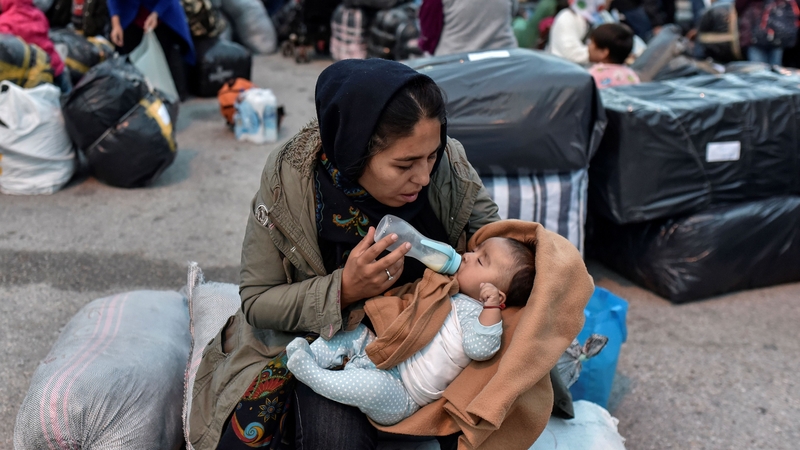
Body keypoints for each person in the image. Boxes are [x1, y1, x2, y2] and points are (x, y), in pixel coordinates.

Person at [188, 58, 503, 450]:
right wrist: (343, 289)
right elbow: (257, 300)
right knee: (336, 439)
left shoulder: (447, 166)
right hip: (336, 346)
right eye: (404, 165)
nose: (423, 177)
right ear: (354, 153)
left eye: (430, 156)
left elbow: (497, 246)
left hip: (434, 341)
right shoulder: (291, 182)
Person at [285, 236, 536, 426]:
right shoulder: (450, 290)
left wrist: (491, 308)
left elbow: (480, 349)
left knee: (371, 389)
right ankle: (312, 353)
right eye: (474, 250)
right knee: (353, 332)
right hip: (387, 352)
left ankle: (316, 377)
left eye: (481, 260)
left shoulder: (481, 316)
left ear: (496, 294)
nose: (468, 255)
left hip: (403, 392)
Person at [107, 0, 195, 100]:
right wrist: (116, 24)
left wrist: (156, 13)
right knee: (133, 62)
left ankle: (170, 99)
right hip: (130, 15)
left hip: (163, 12)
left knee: (165, 58)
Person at [0, 0, 70, 93]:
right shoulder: (38, 14)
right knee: (66, 99)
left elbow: (8, 50)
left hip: (38, 71)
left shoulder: (5, 22)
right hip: (56, 65)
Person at [419, 0, 518, 56]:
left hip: (454, 62)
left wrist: (421, 44)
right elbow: (512, 12)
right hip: (506, 56)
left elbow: (429, 34)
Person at [736, 0, 800, 66]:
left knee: (772, 69)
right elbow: (739, 6)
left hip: (778, 37)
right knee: (759, 69)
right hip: (756, 37)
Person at [587, 23, 641, 88]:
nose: (588, 46)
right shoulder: (632, 76)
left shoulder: (593, 75)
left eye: (591, 42)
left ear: (604, 52)